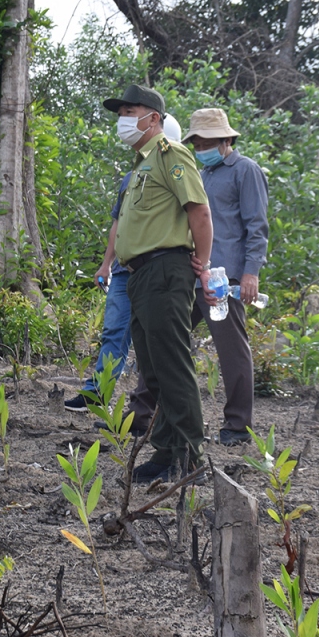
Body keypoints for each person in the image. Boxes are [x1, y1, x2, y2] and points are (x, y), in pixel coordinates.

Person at [104, 85, 215, 483]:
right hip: (140, 276)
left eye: (130, 111)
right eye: (120, 113)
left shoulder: (171, 154)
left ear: (153, 118)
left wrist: (201, 262)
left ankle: (188, 455)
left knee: (172, 364)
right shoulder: (139, 167)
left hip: (167, 270)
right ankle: (166, 452)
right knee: (153, 368)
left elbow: (199, 211)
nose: (123, 120)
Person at [65, 114, 183, 411]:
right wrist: (107, 264)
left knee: (157, 339)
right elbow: (119, 224)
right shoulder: (131, 177)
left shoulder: (177, 171)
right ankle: (97, 393)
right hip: (123, 272)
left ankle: (152, 405)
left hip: (157, 269)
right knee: (114, 332)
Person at [183, 108, 269, 445]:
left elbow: (256, 226)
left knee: (232, 350)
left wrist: (250, 273)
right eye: (197, 141)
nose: (201, 146)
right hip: (192, 275)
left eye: (208, 141)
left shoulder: (245, 170)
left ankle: (237, 425)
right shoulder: (201, 173)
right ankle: (145, 412)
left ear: (226, 140)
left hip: (224, 277)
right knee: (163, 339)